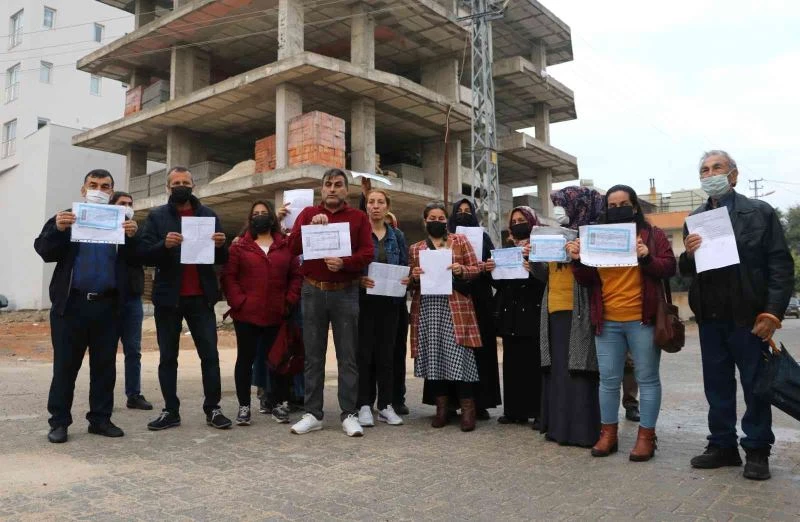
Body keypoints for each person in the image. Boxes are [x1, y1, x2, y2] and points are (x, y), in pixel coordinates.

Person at [681, 150, 793, 481]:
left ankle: (757, 450)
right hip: (711, 317)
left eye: (717, 168)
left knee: (756, 385)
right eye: (704, 169)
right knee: (716, 385)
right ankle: (722, 446)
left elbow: (780, 265)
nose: (710, 173)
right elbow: (688, 270)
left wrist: (772, 312)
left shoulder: (759, 212)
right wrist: (687, 254)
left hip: (749, 316)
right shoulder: (696, 218)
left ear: (733, 175)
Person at [567, 185, 676, 461]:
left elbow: (668, 267)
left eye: (623, 204)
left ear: (635, 206)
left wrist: (646, 256)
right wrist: (577, 261)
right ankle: (608, 435)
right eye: (612, 205)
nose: (618, 209)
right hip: (607, 322)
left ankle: (646, 437)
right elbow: (586, 280)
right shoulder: (596, 237)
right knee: (608, 380)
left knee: (648, 379)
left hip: (644, 320)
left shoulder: (653, 235)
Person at [34, 169, 139, 443]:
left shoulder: (121, 222)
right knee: (65, 367)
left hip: (107, 306)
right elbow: (44, 251)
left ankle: (100, 419)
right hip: (72, 306)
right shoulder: (67, 217)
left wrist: (133, 235)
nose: (98, 190)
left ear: (112, 191)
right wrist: (58, 229)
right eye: (93, 185)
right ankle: (59, 422)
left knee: (104, 367)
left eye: (105, 186)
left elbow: (138, 259)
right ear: (83, 190)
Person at [138, 166, 231, 431]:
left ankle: (213, 409)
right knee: (168, 357)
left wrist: (221, 245)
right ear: (168, 188)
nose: (181, 185)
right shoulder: (156, 217)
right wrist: (163, 245)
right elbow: (143, 254)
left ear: (193, 186)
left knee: (210, 356)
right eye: (176, 182)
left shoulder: (208, 215)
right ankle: (171, 410)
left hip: (201, 298)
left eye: (186, 182)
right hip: (168, 298)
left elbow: (222, 260)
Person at [287, 168, 374, 437]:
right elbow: (291, 248)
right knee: (313, 356)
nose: (333, 189)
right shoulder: (308, 215)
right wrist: (308, 228)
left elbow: (368, 252)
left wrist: (345, 263)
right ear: (321, 189)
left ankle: (349, 413)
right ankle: (313, 413)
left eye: (338, 184)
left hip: (345, 291)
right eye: (328, 184)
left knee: (347, 355)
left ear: (346, 190)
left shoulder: (358, 217)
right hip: (312, 291)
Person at [222, 201, 302, 426]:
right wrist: (239, 301)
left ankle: (278, 403)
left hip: (277, 313)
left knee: (277, 360)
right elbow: (229, 276)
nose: (260, 217)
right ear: (250, 218)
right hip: (246, 315)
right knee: (245, 360)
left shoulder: (285, 245)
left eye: (264, 213)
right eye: (255, 213)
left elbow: (296, 275)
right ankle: (244, 406)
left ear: (272, 218)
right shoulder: (239, 246)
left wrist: (289, 300)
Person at [408, 201, 483, 432]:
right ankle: (441, 409)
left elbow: (477, 267)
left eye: (441, 218)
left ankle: (467, 411)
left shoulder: (460, 242)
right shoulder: (416, 248)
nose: (437, 221)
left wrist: (462, 270)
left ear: (446, 220)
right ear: (425, 220)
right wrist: (415, 276)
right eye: (432, 217)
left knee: (460, 357)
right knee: (434, 357)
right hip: (428, 308)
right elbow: (411, 282)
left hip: (456, 307)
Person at [539, 187, 602, 447]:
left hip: (580, 312)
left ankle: (582, 431)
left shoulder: (593, 235)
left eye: (562, 205)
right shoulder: (555, 236)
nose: (558, 211)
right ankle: (559, 428)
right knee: (560, 374)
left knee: (580, 370)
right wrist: (532, 260)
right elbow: (548, 275)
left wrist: (580, 254)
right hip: (554, 311)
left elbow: (596, 275)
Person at [484, 206, 545, 426]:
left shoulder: (540, 248)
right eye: (515, 220)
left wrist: (534, 267)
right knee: (512, 365)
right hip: (511, 316)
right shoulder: (507, 249)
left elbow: (547, 280)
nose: (518, 223)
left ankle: (539, 412)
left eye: (522, 220)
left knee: (534, 366)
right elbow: (500, 284)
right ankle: (514, 411)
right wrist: (491, 270)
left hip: (533, 313)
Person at [356, 189, 407, 427]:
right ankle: (364, 404)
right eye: (371, 202)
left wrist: (408, 279)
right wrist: (359, 279)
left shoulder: (397, 236)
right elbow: (351, 264)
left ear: (387, 207)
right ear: (365, 206)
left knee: (387, 355)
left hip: (391, 303)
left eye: (380, 202)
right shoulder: (358, 233)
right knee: (364, 354)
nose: (375, 206)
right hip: (364, 303)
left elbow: (406, 265)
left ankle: (385, 405)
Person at [109, 191, 153, 411]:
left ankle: (133, 394)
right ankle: (104, 395)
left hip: (132, 299)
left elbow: (143, 256)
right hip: (107, 298)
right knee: (106, 350)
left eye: (129, 204)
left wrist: (133, 236)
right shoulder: (102, 229)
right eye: (122, 203)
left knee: (133, 350)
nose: (127, 207)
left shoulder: (138, 230)